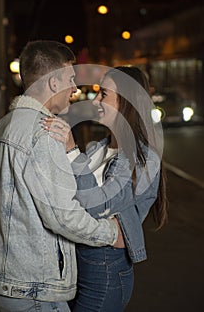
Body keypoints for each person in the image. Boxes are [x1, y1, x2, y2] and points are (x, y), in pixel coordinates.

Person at [0, 40, 125, 312]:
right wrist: (111, 232)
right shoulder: (44, 133)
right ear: (54, 83)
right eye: (70, 79)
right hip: (32, 289)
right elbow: (63, 215)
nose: (75, 89)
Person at [42, 65, 168, 311]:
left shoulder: (143, 157)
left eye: (104, 95)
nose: (96, 100)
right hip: (77, 264)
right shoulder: (97, 148)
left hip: (106, 271)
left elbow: (99, 206)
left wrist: (71, 150)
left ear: (126, 103)